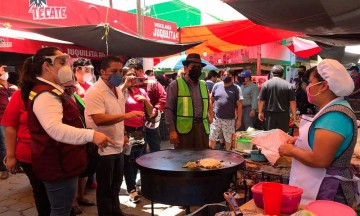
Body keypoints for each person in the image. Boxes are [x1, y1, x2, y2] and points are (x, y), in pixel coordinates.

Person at [20, 46, 114, 216]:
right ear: (46, 66)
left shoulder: (52, 90)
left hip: (62, 161)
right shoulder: (45, 94)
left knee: (62, 209)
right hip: (58, 164)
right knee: (61, 211)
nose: (67, 67)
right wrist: (91, 135)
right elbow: (55, 129)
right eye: (62, 62)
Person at [279, 59, 359, 206]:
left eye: (310, 82)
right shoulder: (331, 109)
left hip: (331, 191)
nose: (308, 87)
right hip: (321, 185)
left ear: (323, 86)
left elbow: (320, 159)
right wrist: (300, 141)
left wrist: (291, 150)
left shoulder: (335, 115)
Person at [84, 56, 144, 216]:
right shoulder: (95, 91)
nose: (118, 74)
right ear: (102, 71)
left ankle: (116, 212)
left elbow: (118, 114)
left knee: (116, 185)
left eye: (120, 71)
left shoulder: (118, 89)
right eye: (114, 71)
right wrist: (127, 116)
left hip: (118, 146)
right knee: (105, 188)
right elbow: (99, 119)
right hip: (103, 148)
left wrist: (124, 134)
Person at [2, 89, 51, 215]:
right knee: (41, 193)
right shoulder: (21, 94)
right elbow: (10, 126)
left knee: (61, 195)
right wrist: (11, 155)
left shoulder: (60, 90)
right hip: (31, 155)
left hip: (61, 154)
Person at [165, 53, 213, 149]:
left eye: (199, 67)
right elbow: (168, 109)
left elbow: (208, 104)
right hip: (183, 131)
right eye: (193, 67)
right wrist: (172, 130)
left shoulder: (203, 85)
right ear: (186, 68)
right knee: (184, 160)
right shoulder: (175, 85)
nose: (197, 69)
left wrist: (210, 117)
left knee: (203, 159)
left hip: (202, 130)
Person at [121, 67, 153, 203]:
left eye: (134, 75)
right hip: (127, 129)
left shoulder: (142, 91)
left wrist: (145, 101)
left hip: (140, 130)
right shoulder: (121, 92)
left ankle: (133, 186)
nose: (132, 77)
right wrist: (123, 133)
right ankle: (131, 189)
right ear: (123, 77)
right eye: (129, 75)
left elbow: (150, 111)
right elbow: (117, 110)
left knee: (138, 159)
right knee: (129, 161)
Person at [124, 58, 166, 153]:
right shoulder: (126, 85)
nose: (132, 77)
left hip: (151, 120)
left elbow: (163, 97)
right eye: (129, 74)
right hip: (135, 124)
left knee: (154, 145)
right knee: (137, 150)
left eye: (134, 73)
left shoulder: (152, 82)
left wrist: (155, 110)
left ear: (140, 71)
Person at [209, 69, 243, 151]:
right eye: (224, 74)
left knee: (229, 140)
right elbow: (211, 100)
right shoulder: (216, 86)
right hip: (216, 118)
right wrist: (210, 114)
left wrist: (239, 120)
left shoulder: (236, 88)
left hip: (229, 119)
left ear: (232, 77)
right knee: (212, 137)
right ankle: (210, 155)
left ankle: (229, 157)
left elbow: (239, 105)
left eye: (228, 75)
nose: (226, 76)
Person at [258, 65, 297, 133]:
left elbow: (261, 100)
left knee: (270, 135)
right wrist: (294, 114)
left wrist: (260, 112)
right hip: (283, 115)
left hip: (269, 115)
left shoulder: (266, 84)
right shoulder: (288, 85)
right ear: (282, 74)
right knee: (282, 136)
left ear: (272, 74)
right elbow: (292, 101)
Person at [0, 65, 18, 180]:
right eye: (2, 69)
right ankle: (4, 169)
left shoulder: (14, 87)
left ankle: (17, 164)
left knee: (16, 141)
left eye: (6, 70)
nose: (5, 72)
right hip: (1, 119)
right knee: (3, 143)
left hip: (13, 119)